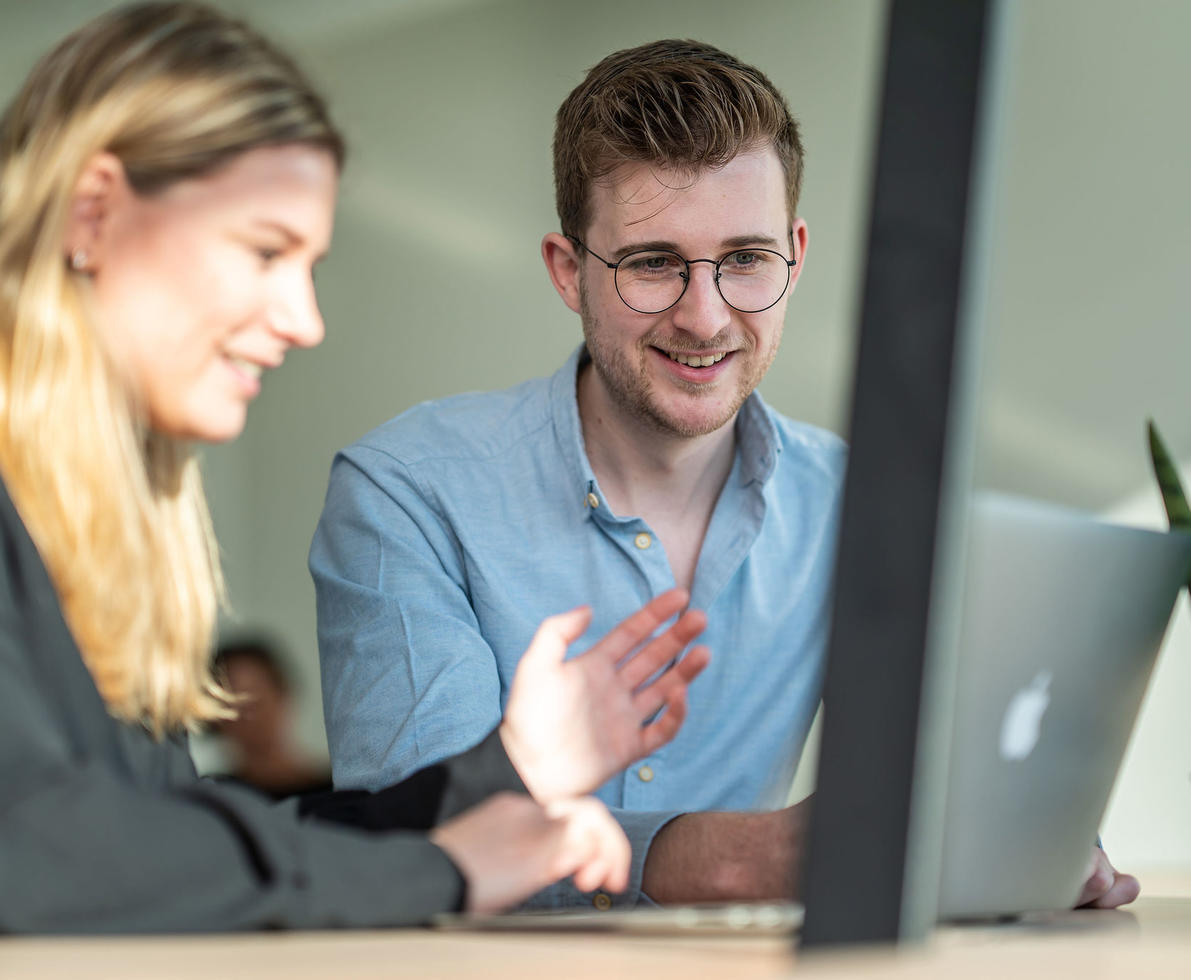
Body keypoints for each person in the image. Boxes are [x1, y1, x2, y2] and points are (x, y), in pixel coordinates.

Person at [311, 38, 1138, 911]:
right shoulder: (407, 491)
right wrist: (720, 859)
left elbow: (951, 772)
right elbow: (412, 849)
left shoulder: (863, 507)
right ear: (568, 272)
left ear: (795, 257)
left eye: (745, 259)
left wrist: (1009, 837)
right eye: (653, 263)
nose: (704, 318)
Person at [0, 3, 710, 934]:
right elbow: (42, 855)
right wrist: (441, 871)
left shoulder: (82, 537)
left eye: (310, 266)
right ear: (94, 213)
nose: (303, 319)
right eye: (264, 251)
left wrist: (505, 774)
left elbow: (185, 851)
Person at [210, 637, 332, 798]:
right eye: (233, 705)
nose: (249, 716)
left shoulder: (338, 790)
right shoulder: (214, 797)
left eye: (257, 701)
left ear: (284, 695)